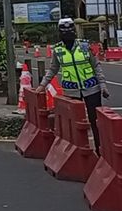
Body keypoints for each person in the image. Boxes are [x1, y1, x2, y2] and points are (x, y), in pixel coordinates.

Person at [37, 18, 108, 155]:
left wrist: (103, 85)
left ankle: (100, 151)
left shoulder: (84, 46)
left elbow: (96, 66)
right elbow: (53, 69)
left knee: (96, 122)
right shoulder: (57, 50)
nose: (67, 34)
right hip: (71, 92)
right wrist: (42, 85)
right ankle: (78, 152)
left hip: (91, 89)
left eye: (70, 30)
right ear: (60, 33)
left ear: (74, 31)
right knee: (75, 124)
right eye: (64, 31)